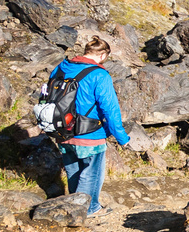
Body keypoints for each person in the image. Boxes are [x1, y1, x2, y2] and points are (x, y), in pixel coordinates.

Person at [51, 36, 130, 217]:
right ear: (102, 55)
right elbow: (110, 109)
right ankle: (89, 209)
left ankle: (74, 208)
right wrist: (122, 138)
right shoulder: (99, 75)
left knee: (73, 171)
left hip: (61, 130)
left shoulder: (61, 67)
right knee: (91, 174)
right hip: (89, 133)